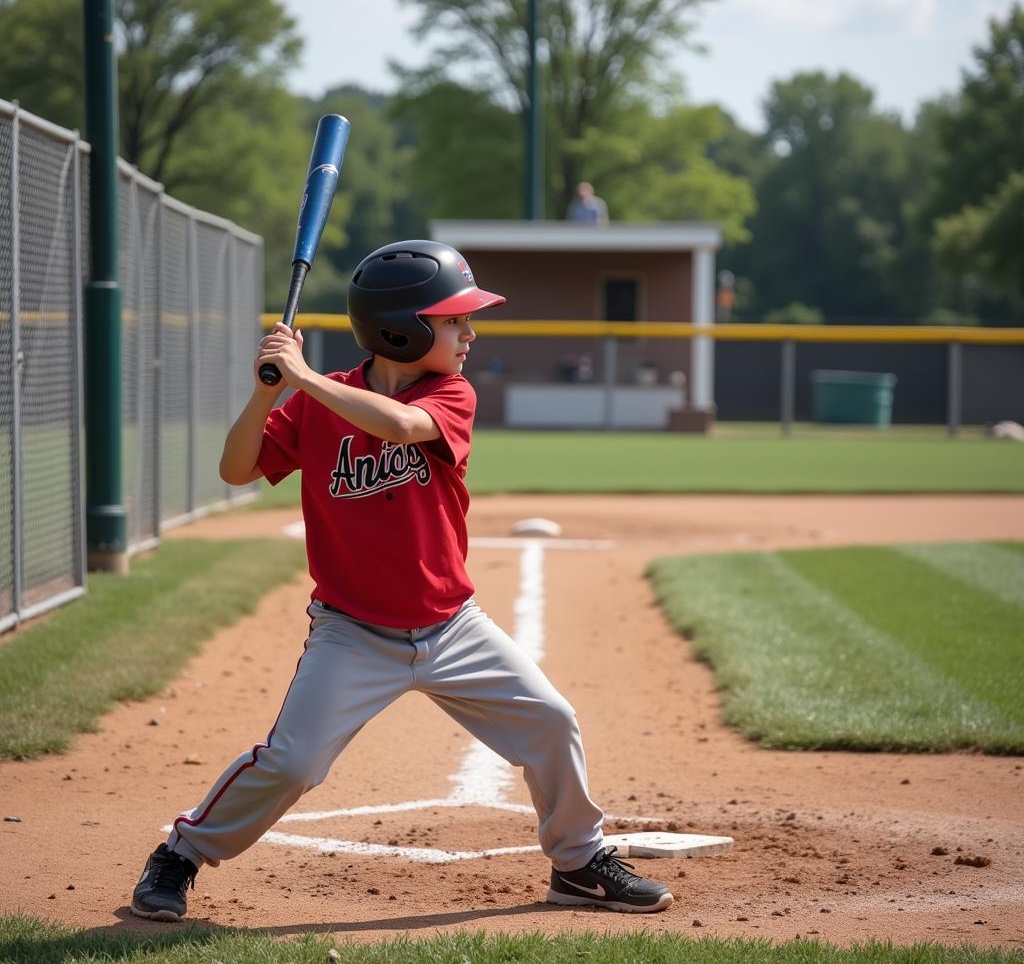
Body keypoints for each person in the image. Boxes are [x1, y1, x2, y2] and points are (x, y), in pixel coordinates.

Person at [129, 239, 673, 922]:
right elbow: (237, 469)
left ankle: (576, 863)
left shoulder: (449, 392)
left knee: (551, 723)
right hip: (352, 631)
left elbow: (402, 424)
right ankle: (179, 854)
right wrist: (263, 393)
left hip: (451, 626)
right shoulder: (314, 400)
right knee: (291, 764)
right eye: (453, 321)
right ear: (401, 329)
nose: (469, 334)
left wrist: (303, 379)